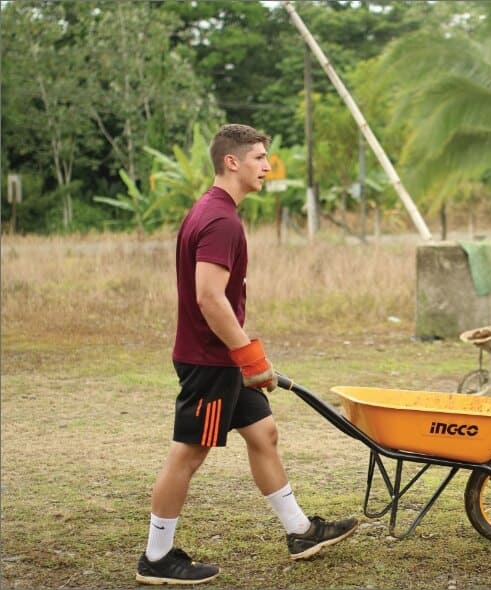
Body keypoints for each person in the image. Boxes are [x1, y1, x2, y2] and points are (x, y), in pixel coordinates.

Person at [136, 124, 357, 585]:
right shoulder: (220, 220)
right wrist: (248, 356)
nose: (267, 165)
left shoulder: (213, 211)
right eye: (259, 157)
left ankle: (300, 531)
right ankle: (157, 557)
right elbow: (209, 298)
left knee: (264, 433)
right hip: (212, 363)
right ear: (232, 162)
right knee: (189, 455)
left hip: (224, 359)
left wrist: (244, 356)